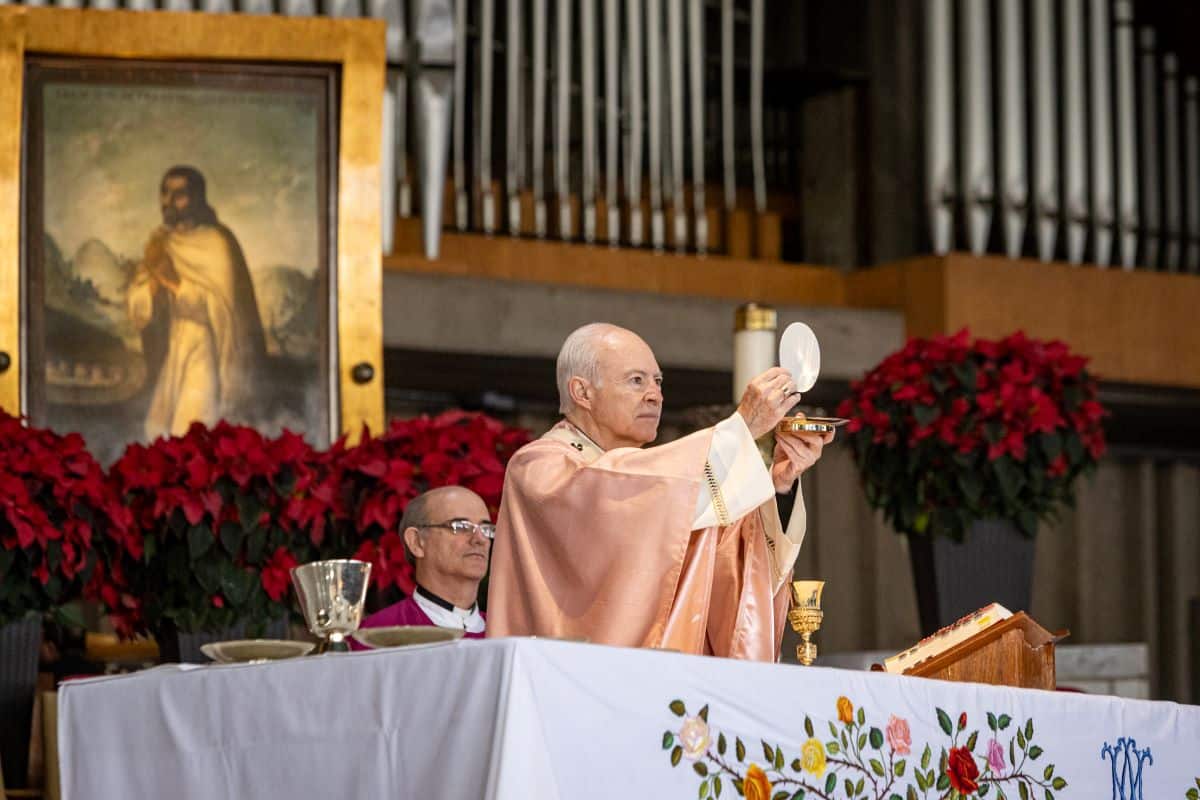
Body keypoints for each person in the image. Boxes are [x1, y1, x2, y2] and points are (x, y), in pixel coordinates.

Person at [487, 322, 833, 661]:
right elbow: (612, 500)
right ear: (583, 392)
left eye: (658, 381)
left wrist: (777, 485)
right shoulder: (539, 467)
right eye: (636, 381)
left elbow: (726, 571)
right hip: (567, 682)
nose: (655, 394)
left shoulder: (663, 480)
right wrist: (738, 431)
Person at [127, 165, 267, 440]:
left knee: (191, 427)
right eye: (165, 193)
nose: (168, 201)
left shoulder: (216, 243)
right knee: (157, 428)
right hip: (174, 346)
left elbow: (222, 308)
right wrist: (154, 283)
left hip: (207, 347)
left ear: (197, 198)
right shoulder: (161, 243)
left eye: (179, 194)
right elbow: (138, 304)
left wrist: (172, 283)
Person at [356, 486, 492, 640]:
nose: (480, 539)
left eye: (486, 529)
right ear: (417, 542)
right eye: (460, 526)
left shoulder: (509, 633)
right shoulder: (372, 637)